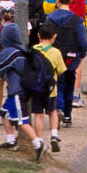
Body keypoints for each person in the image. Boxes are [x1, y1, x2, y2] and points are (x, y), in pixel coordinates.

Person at [0, 22, 49, 161]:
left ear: (5, 38)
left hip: (18, 90)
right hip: (21, 90)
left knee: (22, 120)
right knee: (5, 113)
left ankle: (38, 144)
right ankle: (11, 140)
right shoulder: (21, 50)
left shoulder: (9, 52)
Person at [46, 0, 87, 128]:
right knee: (69, 87)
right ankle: (68, 116)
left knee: (57, 85)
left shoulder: (50, 19)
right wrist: (81, 54)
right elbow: (82, 42)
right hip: (71, 58)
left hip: (54, 57)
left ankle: (57, 109)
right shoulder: (77, 20)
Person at [31, 21, 69, 149]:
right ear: (54, 37)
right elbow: (61, 70)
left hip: (36, 88)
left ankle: (39, 140)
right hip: (51, 89)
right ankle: (54, 135)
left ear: (38, 35)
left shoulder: (33, 50)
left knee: (38, 114)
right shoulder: (56, 52)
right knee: (52, 111)